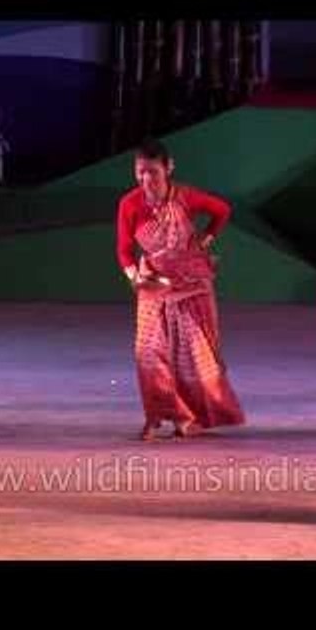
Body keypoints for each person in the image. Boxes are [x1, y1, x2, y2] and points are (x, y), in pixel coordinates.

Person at [115, 138, 244, 441]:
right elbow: (122, 250)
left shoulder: (186, 197)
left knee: (192, 356)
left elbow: (222, 211)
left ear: (168, 168)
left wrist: (206, 239)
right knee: (148, 354)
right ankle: (157, 417)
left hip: (191, 286)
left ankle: (189, 418)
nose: (146, 179)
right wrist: (134, 275)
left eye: (153, 172)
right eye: (140, 172)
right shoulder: (129, 204)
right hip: (153, 286)